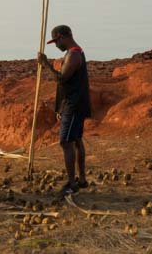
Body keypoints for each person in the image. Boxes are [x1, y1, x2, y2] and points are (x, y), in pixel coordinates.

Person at [37, 24, 91, 196]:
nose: (56, 46)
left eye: (56, 42)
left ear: (61, 37)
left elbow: (61, 79)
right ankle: (81, 180)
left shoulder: (74, 55)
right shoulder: (75, 52)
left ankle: (72, 184)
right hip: (73, 103)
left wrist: (45, 63)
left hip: (74, 105)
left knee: (66, 142)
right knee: (75, 140)